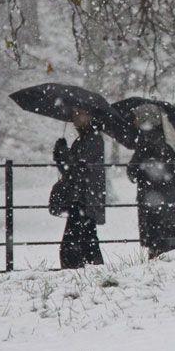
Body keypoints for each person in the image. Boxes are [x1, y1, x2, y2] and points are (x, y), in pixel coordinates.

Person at [126, 103, 175, 259]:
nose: (134, 121)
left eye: (137, 117)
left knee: (155, 238)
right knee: (166, 239)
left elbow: (137, 167)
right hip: (168, 198)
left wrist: (133, 169)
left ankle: (157, 259)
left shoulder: (147, 139)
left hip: (153, 197)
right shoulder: (168, 138)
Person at [52, 108, 105, 269]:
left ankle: (82, 269)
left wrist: (63, 154)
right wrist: (60, 156)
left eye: (79, 114)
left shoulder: (93, 139)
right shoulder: (84, 139)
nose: (75, 118)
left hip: (85, 198)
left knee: (75, 243)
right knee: (86, 240)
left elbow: (78, 168)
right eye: (74, 114)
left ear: (89, 115)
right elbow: (71, 170)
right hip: (81, 197)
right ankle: (93, 268)